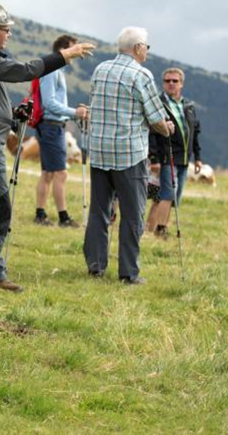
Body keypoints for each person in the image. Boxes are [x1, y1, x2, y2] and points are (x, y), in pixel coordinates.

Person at [0, 3, 94, 292]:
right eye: (5, 30)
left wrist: (12, 113)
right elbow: (25, 71)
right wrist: (63, 56)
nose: (9, 35)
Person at [83, 27, 172, 285]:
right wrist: (167, 128)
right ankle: (129, 273)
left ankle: (95, 266)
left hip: (99, 150)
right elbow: (156, 118)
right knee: (133, 215)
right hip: (128, 154)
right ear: (138, 48)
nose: (147, 51)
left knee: (99, 211)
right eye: (147, 47)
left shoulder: (100, 69)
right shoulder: (141, 74)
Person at [33, 34, 90, 228]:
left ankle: (40, 214)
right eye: (76, 48)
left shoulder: (55, 70)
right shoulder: (53, 70)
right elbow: (49, 102)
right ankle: (63, 217)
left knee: (48, 173)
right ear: (65, 48)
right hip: (51, 126)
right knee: (60, 173)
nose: (78, 54)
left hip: (50, 125)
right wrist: (75, 113)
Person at [146, 67, 203, 238]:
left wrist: (198, 157)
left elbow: (195, 132)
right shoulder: (158, 104)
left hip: (185, 159)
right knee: (168, 193)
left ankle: (152, 228)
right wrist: (154, 158)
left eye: (174, 81)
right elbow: (152, 133)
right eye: (167, 81)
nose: (171, 84)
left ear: (181, 84)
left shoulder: (189, 106)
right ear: (162, 84)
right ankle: (160, 230)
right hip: (166, 157)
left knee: (174, 197)